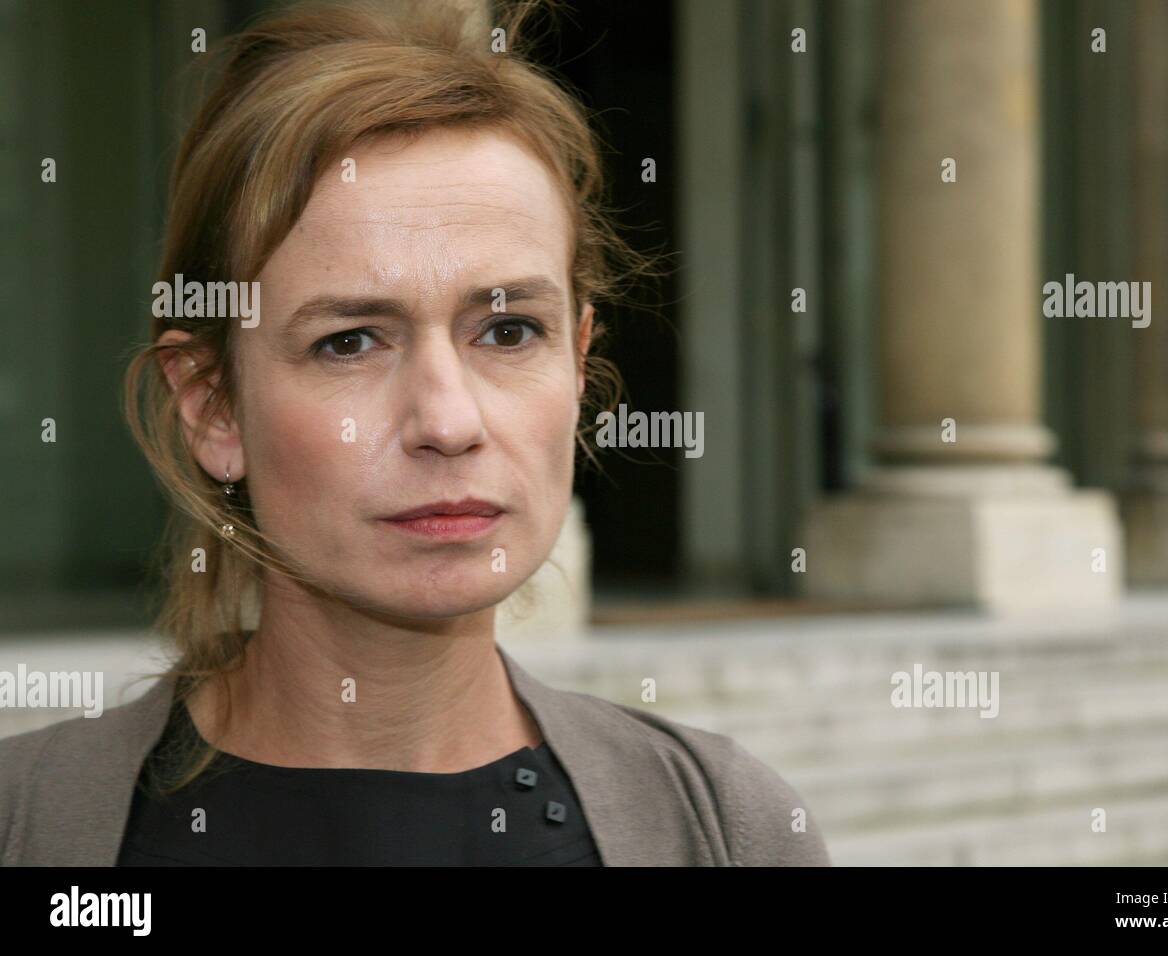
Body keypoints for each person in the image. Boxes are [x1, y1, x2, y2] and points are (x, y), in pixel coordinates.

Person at [0, 0, 831, 867]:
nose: (448, 422)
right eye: (349, 341)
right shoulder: (30, 828)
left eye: (508, 332)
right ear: (212, 406)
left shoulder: (726, 829)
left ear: (581, 365)